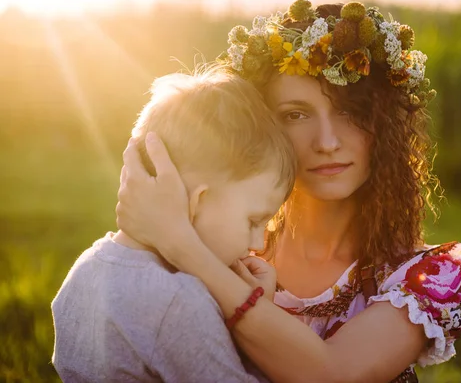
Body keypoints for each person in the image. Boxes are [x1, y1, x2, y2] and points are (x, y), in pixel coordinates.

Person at [116, 0, 461, 382]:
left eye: (350, 112)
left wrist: (181, 244)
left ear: (385, 124)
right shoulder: (229, 245)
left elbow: (334, 375)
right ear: (262, 128)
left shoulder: (435, 275)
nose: (326, 142)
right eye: (296, 114)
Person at [51, 66, 295, 382]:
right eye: (254, 221)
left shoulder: (85, 268)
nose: (259, 243)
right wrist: (259, 319)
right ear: (196, 202)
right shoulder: (179, 302)